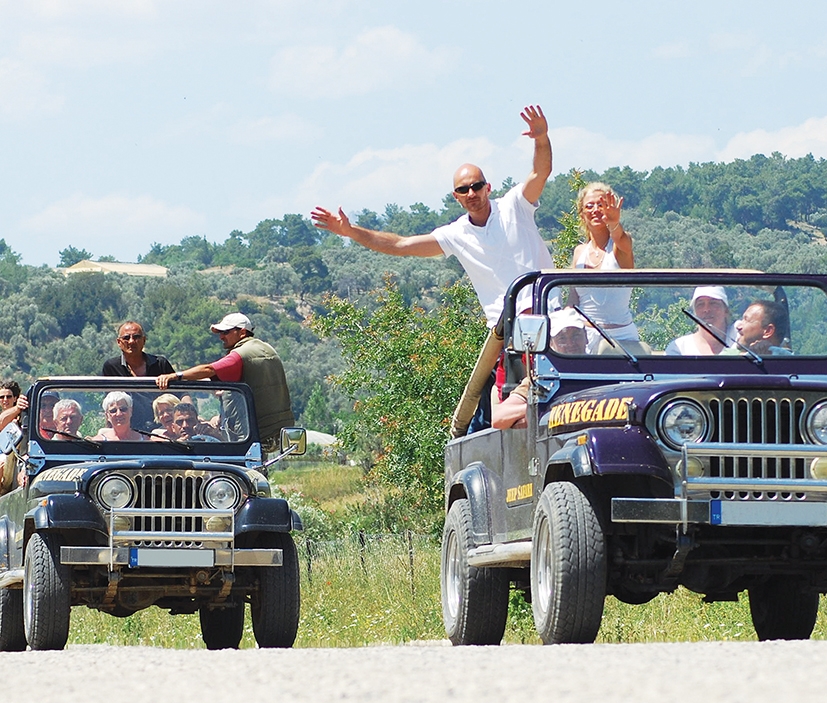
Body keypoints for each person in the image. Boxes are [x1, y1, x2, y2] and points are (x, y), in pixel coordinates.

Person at [310, 105, 555, 328]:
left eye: (477, 186)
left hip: (549, 313)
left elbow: (540, 172)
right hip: (508, 329)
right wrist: (351, 232)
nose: (471, 193)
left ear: (488, 188)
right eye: (463, 189)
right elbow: (400, 245)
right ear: (455, 196)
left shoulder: (515, 205)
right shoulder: (456, 235)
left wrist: (541, 138)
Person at [155, 313, 294, 453]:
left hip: (249, 438)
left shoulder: (241, 354)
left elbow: (209, 369)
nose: (221, 337)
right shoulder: (268, 349)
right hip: (274, 433)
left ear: (242, 332)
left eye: (226, 332)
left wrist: (176, 376)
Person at [569, 183, 637, 353]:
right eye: (589, 206)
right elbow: (572, 300)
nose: (595, 210)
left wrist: (614, 222)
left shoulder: (620, 246)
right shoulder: (579, 252)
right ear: (582, 214)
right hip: (584, 338)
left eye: (601, 205)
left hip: (621, 339)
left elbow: (620, 237)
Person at [492, 309, 587, 429]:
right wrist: (545, 408)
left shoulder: (604, 370)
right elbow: (499, 418)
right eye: (562, 338)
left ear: (586, 338)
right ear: (551, 343)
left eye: (576, 335)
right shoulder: (541, 379)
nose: (570, 343)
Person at [666, 286, 733, 356]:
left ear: (726, 310)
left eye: (713, 303)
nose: (706, 309)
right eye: (700, 304)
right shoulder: (679, 349)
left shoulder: (738, 340)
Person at [102, 321, 175, 377]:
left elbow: (180, 392)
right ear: (119, 342)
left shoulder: (160, 364)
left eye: (136, 337)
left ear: (144, 340)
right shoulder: (111, 367)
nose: (131, 341)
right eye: (126, 338)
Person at [722, 300, 792, 356]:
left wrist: (768, 359)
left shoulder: (791, 363)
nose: (738, 327)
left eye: (746, 320)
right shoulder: (727, 357)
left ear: (768, 331)